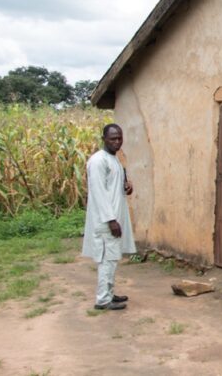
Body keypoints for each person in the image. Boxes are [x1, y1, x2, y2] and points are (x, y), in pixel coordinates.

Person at [82, 123, 136, 310]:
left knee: (112, 259)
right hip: (106, 221)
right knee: (107, 259)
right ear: (104, 138)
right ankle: (103, 300)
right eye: (113, 138)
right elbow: (98, 193)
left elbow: (113, 188)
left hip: (114, 218)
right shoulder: (98, 161)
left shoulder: (114, 160)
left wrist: (127, 188)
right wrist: (111, 220)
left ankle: (109, 294)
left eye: (120, 138)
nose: (117, 141)